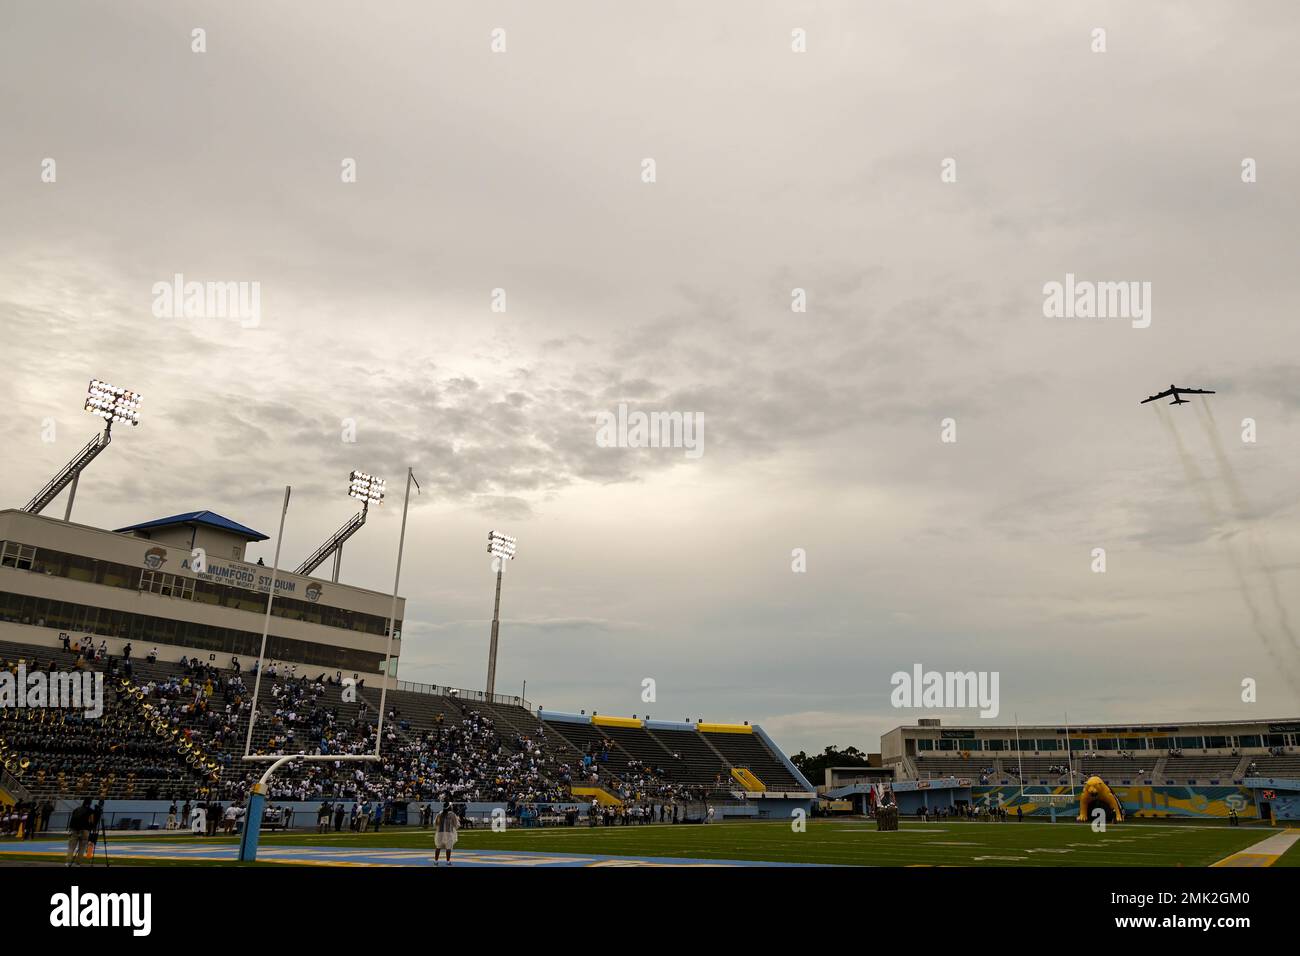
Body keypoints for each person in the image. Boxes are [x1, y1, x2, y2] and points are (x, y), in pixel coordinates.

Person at [67, 798, 94, 867]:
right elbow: (92, 821)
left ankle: (68, 862)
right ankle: (78, 863)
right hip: (84, 830)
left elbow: (72, 820)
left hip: (74, 830)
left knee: (71, 847)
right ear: (90, 803)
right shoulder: (90, 810)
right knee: (82, 848)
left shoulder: (77, 809)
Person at [433, 801, 460, 865]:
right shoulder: (452, 814)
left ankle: (436, 861)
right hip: (449, 832)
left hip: (439, 833)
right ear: (449, 807)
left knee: (438, 847)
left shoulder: (439, 814)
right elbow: (457, 825)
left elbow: (435, 823)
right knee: (448, 847)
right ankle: (448, 861)